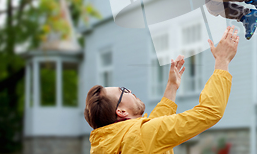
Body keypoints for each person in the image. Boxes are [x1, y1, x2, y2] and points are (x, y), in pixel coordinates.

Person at [84, 26, 240, 154]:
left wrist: (171, 87)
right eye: (123, 91)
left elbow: (153, 127)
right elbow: (210, 112)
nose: (130, 90)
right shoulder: (141, 135)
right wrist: (222, 61)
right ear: (122, 112)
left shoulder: (109, 143)